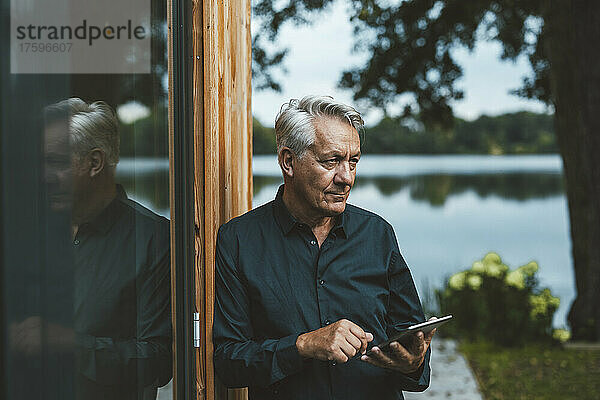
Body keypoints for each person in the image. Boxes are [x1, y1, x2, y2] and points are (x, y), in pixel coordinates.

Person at [213, 95, 434, 399]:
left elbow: (411, 343)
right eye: (331, 161)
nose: (346, 178)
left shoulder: (378, 234)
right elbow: (228, 362)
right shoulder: (238, 240)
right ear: (288, 161)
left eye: (353, 161)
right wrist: (302, 346)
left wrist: (413, 363)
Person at [41, 98, 172, 399]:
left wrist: (68, 344)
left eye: (56, 163)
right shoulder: (29, 234)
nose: (42, 177)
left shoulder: (153, 239)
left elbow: (159, 360)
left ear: (95, 163)